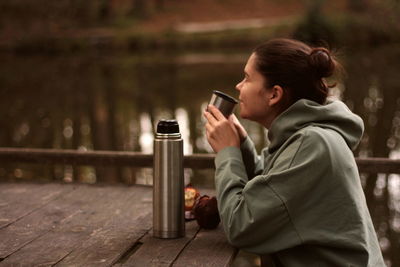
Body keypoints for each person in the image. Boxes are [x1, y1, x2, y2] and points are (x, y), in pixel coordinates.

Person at [203, 38, 385, 266]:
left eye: (248, 78)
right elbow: (276, 194)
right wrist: (242, 145)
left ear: (274, 94)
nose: (239, 86)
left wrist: (227, 152)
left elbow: (241, 227)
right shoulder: (305, 137)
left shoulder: (312, 144)